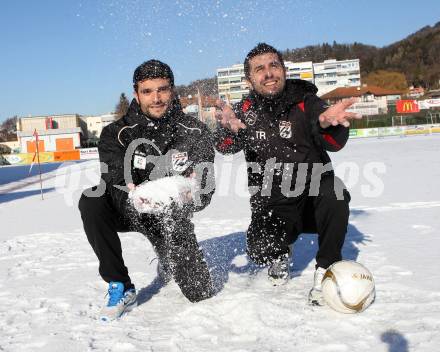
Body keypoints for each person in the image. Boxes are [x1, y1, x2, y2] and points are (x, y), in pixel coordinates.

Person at [214, 43, 361, 305]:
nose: (268, 73)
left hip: (314, 195)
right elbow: (225, 147)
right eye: (260, 69)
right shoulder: (244, 110)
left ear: (284, 69)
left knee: (335, 192)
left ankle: (326, 269)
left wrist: (327, 123)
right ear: (249, 79)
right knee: (260, 249)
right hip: (275, 201)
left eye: (274, 65)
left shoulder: (306, 101)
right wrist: (228, 131)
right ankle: (279, 253)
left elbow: (333, 142)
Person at [79, 60, 215, 321]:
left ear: (172, 90)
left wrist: (193, 196)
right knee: (92, 200)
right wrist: (142, 203)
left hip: (173, 218)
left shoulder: (195, 131)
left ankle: (167, 255)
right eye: (147, 91)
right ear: (136, 93)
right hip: (130, 211)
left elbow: (206, 189)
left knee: (200, 292)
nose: (156, 98)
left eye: (162, 89)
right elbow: (115, 183)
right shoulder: (116, 133)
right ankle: (120, 285)